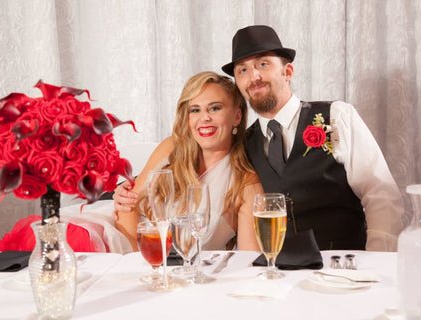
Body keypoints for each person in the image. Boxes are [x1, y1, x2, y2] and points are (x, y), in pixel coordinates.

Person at [221, 25, 403, 251]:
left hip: (341, 271)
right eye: (242, 70)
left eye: (262, 64)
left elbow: (381, 194)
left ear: (287, 72)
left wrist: (376, 262)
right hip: (276, 275)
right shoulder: (243, 145)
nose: (253, 77)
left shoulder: (336, 116)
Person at [113, 71, 263, 251]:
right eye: (195, 110)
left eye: (215, 108)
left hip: (196, 275)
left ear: (237, 117)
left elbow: (248, 262)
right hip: (132, 257)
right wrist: (149, 266)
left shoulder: (246, 185)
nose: (204, 118)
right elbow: (126, 208)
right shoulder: (170, 149)